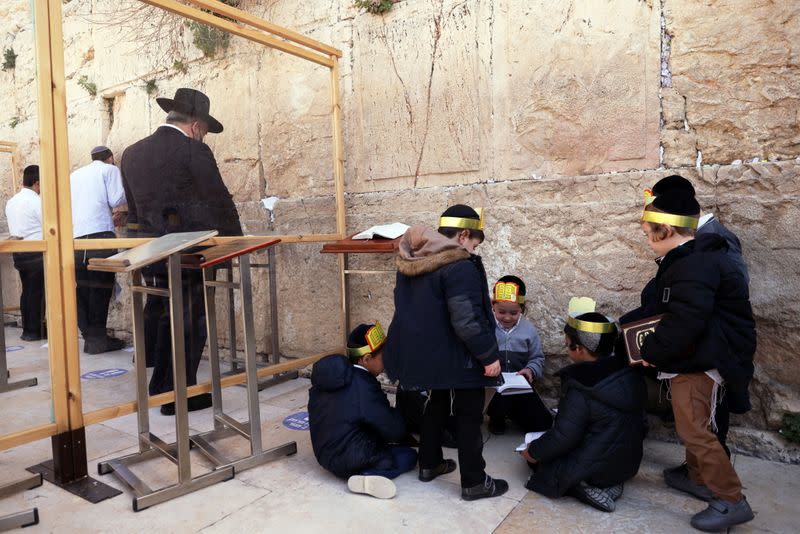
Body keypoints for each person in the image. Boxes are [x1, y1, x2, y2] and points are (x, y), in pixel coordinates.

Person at [636, 190, 756, 531]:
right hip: (699, 356)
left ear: (667, 230)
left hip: (698, 361)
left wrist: (651, 352)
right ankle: (697, 477)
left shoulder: (692, 264)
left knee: (694, 430)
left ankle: (731, 500)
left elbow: (686, 320)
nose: (648, 242)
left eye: (648, 235)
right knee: (695, 422)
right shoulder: (694, 258)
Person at [120, 88, 243, 415]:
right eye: (203, 132)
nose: (203, 137)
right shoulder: (193, 151)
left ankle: (161, 387)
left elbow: (132, 214)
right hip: (191, 253)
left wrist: (140, 251)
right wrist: (235, 244)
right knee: (191, 320)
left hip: (150, 253)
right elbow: (220, 203)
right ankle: (178, 394)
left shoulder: (131, 153)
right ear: (196, 126)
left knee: (163, 315)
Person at [384, 204, 508, 501]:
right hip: (461, 356)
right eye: (475, 244)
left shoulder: (413, 261)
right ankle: (475, 482)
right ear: (464, 235)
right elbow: (467, 321)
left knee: (435, 406)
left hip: (427, 355)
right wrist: (488, 356)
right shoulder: (460, 266)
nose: (474, 251)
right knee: (468, 416)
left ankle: (429, 464)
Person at [521, 305, 645, 513]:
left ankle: (583, 486)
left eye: (568, 346)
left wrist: (532, 452)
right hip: (628, 463)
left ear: (580, 349)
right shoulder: (629, 372)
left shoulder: (581, 385)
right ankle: (611, 481)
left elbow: (563, 437)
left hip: (594, 468)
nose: (567, 350)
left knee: (541, 461)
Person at [308, 323, 417, 499]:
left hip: (323, 453)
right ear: (366, 359)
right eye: (384, 356)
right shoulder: (364, 386)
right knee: (409, 456)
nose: (388, 360)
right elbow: (394, 430)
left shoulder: (331, 375)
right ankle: (367, 475)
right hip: (348, 459)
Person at [70, 146, 127, 354]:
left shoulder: (74, 175)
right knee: (101, 288)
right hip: (101, 237)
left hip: (77, 239)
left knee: (83, 289)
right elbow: (116, 199)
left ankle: (90, 336)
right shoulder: (109, 170)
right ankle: (97, 340)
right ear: (110, 158)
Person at [486, 275, 553, 435]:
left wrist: (530, 370)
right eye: (501, 312)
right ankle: (497, 417)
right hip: (494, 388)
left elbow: (537, 358)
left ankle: (515, 413)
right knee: (498, 406)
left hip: (520, 387)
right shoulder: (487, 328)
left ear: (522, 309)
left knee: (543, 423)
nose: (507, 317)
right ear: (492, 306)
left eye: (514, 313)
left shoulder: (529, 329)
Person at [5, 165, 45, 341]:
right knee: (36, 292)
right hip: (36, 252)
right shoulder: (36, 201)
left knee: (27, 290)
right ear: (37, 183)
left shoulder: (12, 201)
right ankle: (34, 331)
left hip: (19, 253)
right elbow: (48, 226)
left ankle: (28, 329)